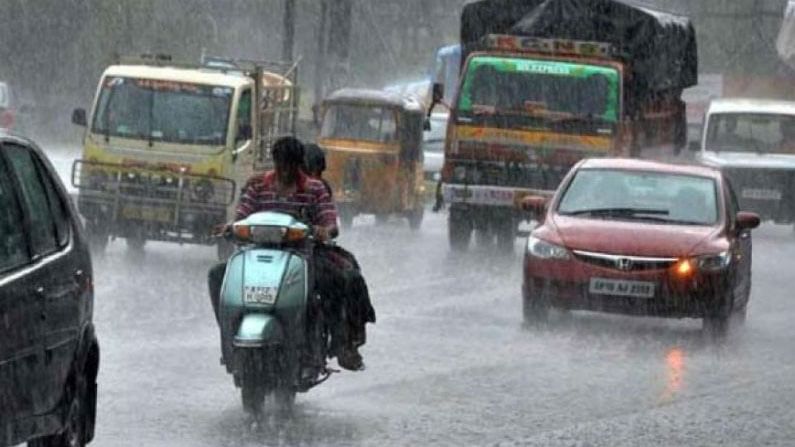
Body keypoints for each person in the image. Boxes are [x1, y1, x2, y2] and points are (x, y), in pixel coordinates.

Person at [207, 137, 371, 370]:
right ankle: (229, 336)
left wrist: (325, 230)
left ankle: (341, 343)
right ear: (274, 162)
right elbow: (242, 215)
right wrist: (230, 227)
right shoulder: (258, 186)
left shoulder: (314, 189)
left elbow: (329, 222)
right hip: (257, 255)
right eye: (280, 164)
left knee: (335, 282)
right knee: (217, 276)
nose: (284, 171)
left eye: (290, 165)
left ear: (298, 164)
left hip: (301, 256)